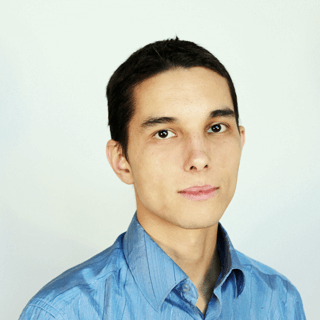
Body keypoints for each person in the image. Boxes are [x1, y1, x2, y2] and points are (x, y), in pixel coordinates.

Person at [19, 37, 306, 319]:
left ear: (241, 140)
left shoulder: (279, 300)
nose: (199, 158)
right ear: (122, 161)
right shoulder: (62, 313)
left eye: (216, 127)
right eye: (164, 133)